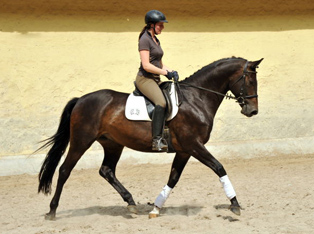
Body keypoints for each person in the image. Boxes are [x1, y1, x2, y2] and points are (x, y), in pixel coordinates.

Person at [135, 10, 178, 152]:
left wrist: (171, 71)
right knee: (161, 102)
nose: (163, 27)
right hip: (145, 79)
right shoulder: (144, 39)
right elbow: (146, 65)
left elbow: (159, 63)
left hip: (155, 79)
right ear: (151, 25)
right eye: (160, 25)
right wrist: (165, 72)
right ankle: (157, 140)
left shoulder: (156, 40)